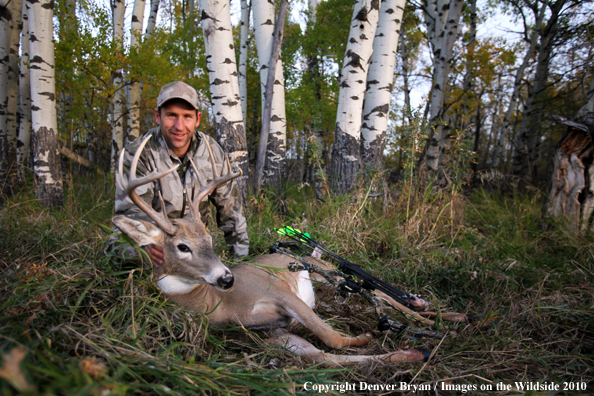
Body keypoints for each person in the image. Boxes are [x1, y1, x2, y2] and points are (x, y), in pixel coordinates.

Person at [106, 81, 249, 265]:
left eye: (187, 116)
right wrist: (146, 245)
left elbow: (232, 213)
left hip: (194, 243)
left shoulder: (211, 151)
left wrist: (242, 260)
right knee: (122, 252)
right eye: (171, 115)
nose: (179, 126)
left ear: (197, 119)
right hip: (155, 241)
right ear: (158, 116)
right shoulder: (137, 154)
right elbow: (132, 215)